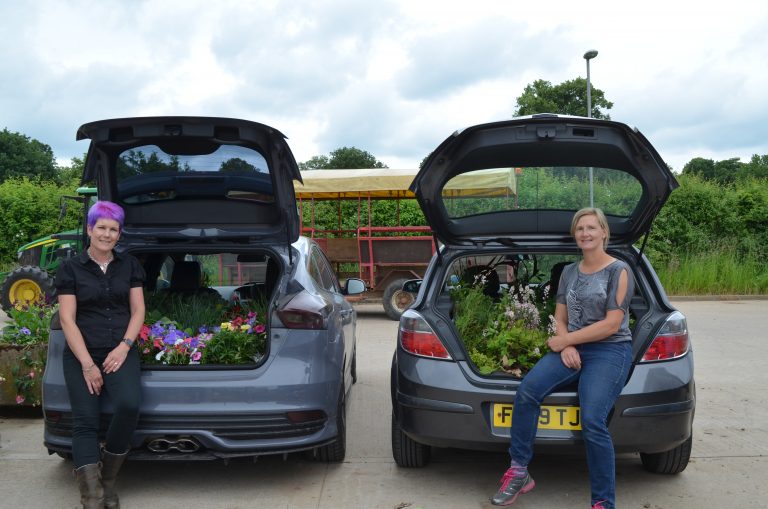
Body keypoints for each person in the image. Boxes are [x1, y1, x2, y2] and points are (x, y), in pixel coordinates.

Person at [491, 207, 634, 509]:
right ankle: (519, 472)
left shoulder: (618, 270)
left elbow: (611, 324)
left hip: (610, 350)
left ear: (604, 232)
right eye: (580, 228)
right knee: (528, 390)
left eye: (592, 228)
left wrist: (566, 340)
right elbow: (560, 317)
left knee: (593, 419)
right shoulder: (569, 272)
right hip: (572, 347)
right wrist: (566, 345)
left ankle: (603, 502)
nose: (585, 233)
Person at [55, 201, 145, 509]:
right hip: (82, 353)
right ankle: (91, 497)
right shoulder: (70, 268)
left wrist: (124, 346)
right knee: (85, 421)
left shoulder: (129, 265)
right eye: (102, 228)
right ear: (90, 229)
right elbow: (67, 318)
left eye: (114, 229)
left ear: (120, 234)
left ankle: (107, 482)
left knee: (129, 405)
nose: (107, 234)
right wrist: (88, 365)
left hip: (120, 350)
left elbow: (138, 310)